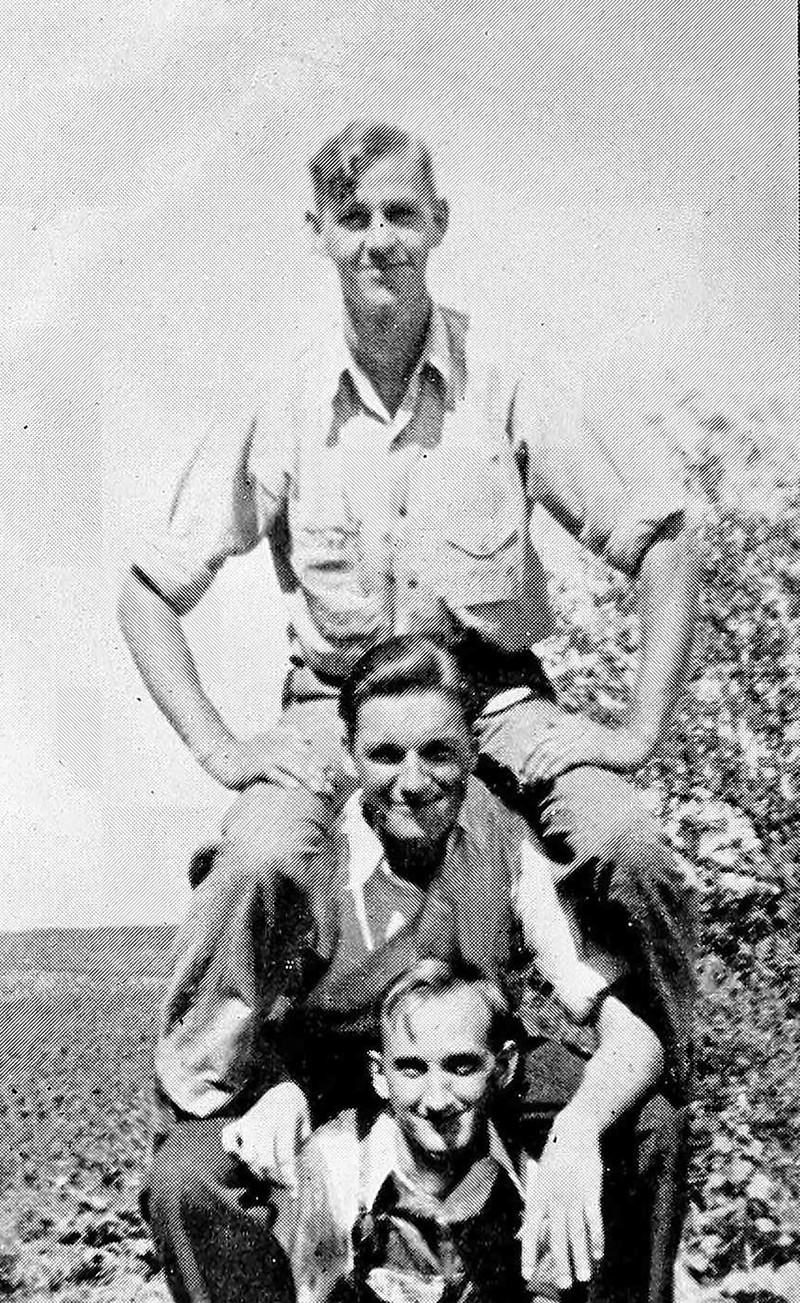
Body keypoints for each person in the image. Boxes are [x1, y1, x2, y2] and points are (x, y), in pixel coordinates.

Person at [118, 118, 698, 1126]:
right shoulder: (282, 399)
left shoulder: (506, 377)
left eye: (400, 214)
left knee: (627, 840)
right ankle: (205, 1115)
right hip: (338, 706)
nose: (379, 240)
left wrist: (636, 731)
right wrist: (220, 748)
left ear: (439, 223)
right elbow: (146, 593)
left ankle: (647, 1090)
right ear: (318, 232)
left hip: (495, 698)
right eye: (354, 218)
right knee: (258, 857)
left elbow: (664, 541)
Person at [146, 639, 703, 1303]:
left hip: (462, 1060)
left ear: (471, 751)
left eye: (439, 752)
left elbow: (629, 1028)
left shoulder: (503, 839)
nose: (414, 780)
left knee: (649, 1124)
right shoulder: (300, 860)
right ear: (349, 756)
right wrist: (273, 1087)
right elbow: (226, 1031)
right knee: (190, 1183)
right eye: (386, 754)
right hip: (324, 1063)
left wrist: (578, 1127)